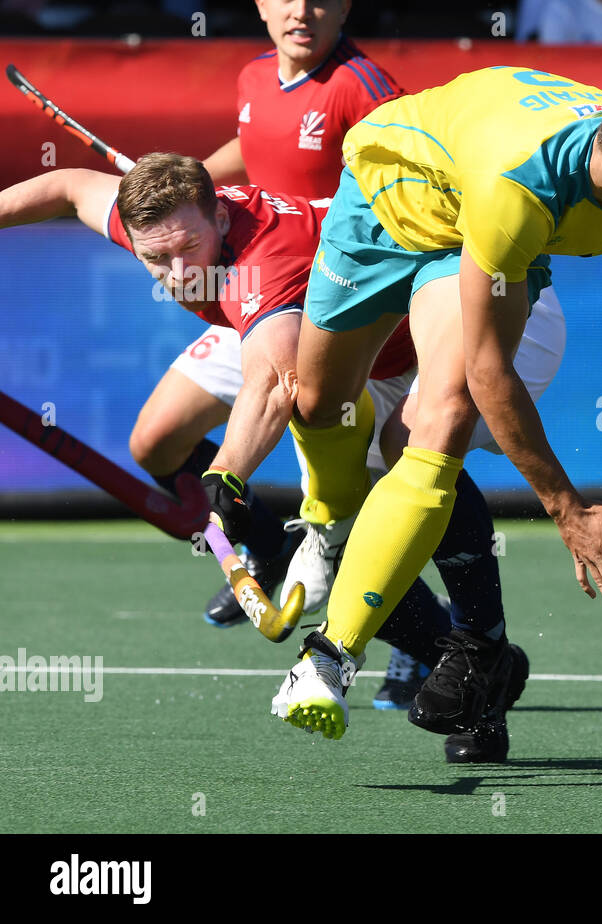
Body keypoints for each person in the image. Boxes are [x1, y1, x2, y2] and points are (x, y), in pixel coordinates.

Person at [271, 67, 602, 741]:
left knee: (435, 421)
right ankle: (328, 529)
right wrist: (567, 508)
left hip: (473, 243)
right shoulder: (519, 186)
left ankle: (329, 659)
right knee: (320, 404)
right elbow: (493, 370)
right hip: (390, 198)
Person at [0, 154, 563, 761]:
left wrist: (228, 475)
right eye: (154, 259)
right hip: (357, 339)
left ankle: (481, 656)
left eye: (187, 247)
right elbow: (65, 185)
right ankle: (476, 667)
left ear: (220, 214)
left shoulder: (259, 264)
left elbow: (274, 380)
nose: (177, 272)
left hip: (488, 311)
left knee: (412, 449)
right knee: (343, 522)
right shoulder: (167, 230)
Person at [122, 0, 461, 714]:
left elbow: (404, 179)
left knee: (368, 498)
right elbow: (250, 155)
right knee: (155, 440)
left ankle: (424, 642)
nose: (301, 11)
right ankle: (267, 546)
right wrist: (184, 193)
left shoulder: (361, 86)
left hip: (333, 307)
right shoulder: (253, 79)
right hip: (252, 288)